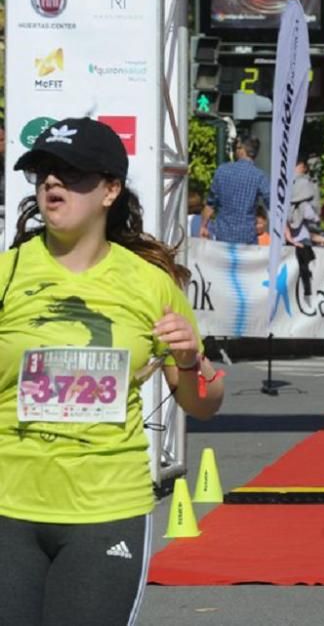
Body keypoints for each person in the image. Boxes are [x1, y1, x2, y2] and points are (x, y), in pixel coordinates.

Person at [0, 117, 224, 625]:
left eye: (70, 171)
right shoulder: (8, 273)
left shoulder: (149, 284)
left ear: (110, 189)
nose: (52, 182)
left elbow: (204, 402)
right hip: (8, 505)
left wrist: (190, 361)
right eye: (43, 172)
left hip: (107, 508)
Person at [200, 136, 270, 244]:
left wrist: (203, 226)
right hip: (247, 237)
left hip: (222, 235)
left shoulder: (222, 170)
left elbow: (210, 204)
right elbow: (271, 202)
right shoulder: (259, 176)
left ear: (241, 149)